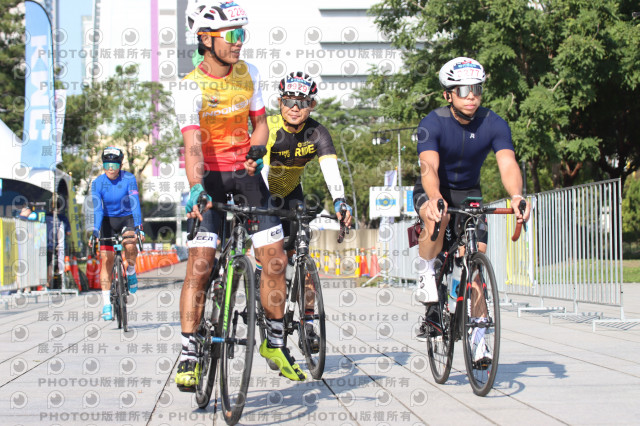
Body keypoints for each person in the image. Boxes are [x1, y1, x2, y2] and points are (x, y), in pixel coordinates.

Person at [172, 0, 304, 391]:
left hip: (246, 177)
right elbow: (192, 145)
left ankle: (275, 343)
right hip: (209, 177)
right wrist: (196, 186)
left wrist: (257, 149)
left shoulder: (250, 73)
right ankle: (189, 352)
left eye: (242, 34)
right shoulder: (189, 86)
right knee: (200, 265)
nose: (239, 42)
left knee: (275, 259)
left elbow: (260, 124)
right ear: (205, 39)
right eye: (231, 35)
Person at [413, 57, 531, 364]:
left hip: (469, 194)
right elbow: (429, 166)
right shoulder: (432, 122)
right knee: (437, 215)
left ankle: (478, 340)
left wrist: (516, 196)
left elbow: (507, 163)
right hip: (434, 188)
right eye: (463, 89)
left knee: (475, 262)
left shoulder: (494, 122)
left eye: (476, 89)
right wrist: (435, 197)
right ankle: (426, 270)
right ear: (448, 94)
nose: (471, 96)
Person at [252, 71, 353, 352]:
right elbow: (263, 170)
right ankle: (261, 289)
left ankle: (308, 322)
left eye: (303, 102)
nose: (295, 107)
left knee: (303, 256)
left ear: (312, 105)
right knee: (271, 259)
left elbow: (330, 168)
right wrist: (264, 210)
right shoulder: (270, 127)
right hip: (263, 192)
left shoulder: (318, 133)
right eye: (288, 101)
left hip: (291, 195)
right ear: (279, 103)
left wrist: (340, 201)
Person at [88, 146, 144, 321]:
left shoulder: (129, 179)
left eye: (114, 165)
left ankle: (131, 270)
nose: (110, 168)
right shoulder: (97, 183)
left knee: (130, 245)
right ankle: (106, 304)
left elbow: (135, 202)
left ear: (120, 165)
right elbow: (97, 210)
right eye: (107, 165)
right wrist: (95, 231)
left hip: (126, 218)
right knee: (106, 260)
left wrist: (138, 226)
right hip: (107, 221)